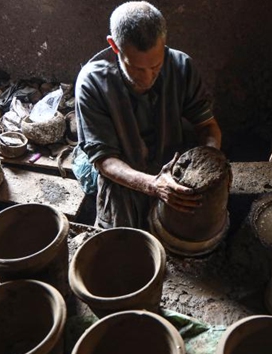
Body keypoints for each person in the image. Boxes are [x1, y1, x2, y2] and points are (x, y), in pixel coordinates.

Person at [73, 1, 222, 229]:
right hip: (122, 175)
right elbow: (105, 161)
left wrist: (208, 163)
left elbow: (207, 126)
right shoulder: (92, 83)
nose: (147, 78)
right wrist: (153, 185)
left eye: (156, 66)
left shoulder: (181, 66)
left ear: (164, 44)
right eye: (136, 68)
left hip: (170, 163)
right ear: (114, 46)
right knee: (124, 241)